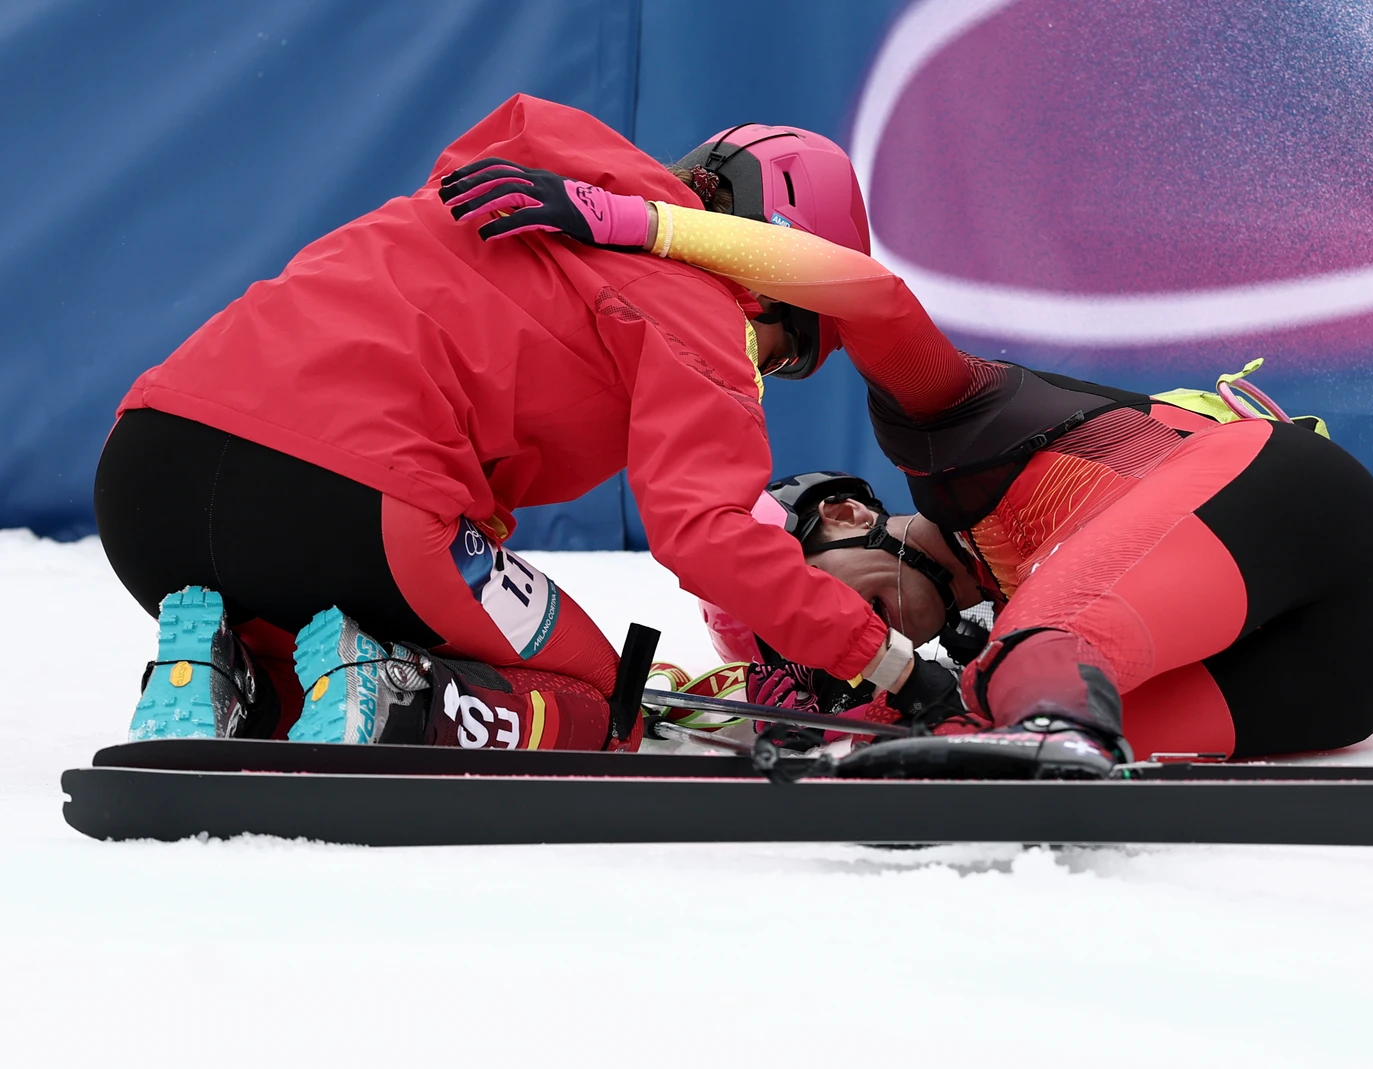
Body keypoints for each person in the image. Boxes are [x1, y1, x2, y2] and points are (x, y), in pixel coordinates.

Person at [448, 165, 1373, 778]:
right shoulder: (1007, 620)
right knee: (974, 719)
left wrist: (639, 226)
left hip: (1289, 500)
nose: (846, 639)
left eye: (821, 609)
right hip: (1342, 674)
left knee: (1036, 663)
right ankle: (1051, 735)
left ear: (834, 517)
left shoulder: (946, 435)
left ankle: (1054, 730)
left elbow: (868, 298)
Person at [94, 95, 951, 751]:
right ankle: (396, 701)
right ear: (774, 268)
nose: (765, 367)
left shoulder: (512, 199)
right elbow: (706, 532)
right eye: (790, 349)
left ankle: (216, 673)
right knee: (603, 696)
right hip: (352, 498)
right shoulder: (702, 308)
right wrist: (889, 665)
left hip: (147, 480)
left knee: (328, 654)